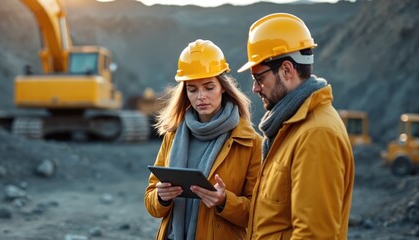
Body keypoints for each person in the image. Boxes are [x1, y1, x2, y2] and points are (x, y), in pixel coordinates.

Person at [237, 13, 355, 239]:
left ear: (287, 70)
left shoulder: (316, 134)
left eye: (259, 78)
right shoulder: (289, 128)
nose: (255, 88)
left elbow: (314, 235)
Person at [144, 39, 262, 240]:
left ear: (223, 87)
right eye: (192, 89)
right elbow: (151, 203)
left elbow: (259, 213)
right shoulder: (173, 135)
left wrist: (225, 201)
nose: (201, 97)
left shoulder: (249, 141)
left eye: (209, 87)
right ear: (185, 92)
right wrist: (161, 197)